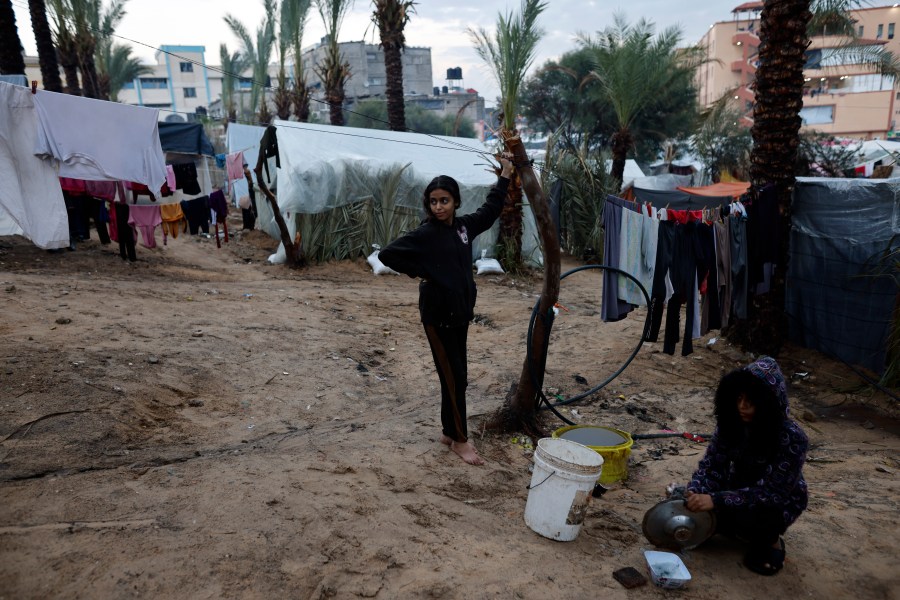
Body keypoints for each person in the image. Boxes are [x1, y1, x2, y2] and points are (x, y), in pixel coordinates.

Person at [378, 155, 514, 466]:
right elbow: (387, 254)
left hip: (460, 314)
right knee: (454, 378)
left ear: (455, 202)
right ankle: (460, 441)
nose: (439, 207)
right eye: (433, 201)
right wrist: (423, 271)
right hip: (438, 317)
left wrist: (506, 174)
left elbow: (491, 209)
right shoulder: (425, 234)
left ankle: (449, 432)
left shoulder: (464, 228)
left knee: (456, 377)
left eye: (444, 201)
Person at [685, 356, 808, 575]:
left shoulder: (792, 438)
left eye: (751, 401)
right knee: (693, 504)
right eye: (739, 398)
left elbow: (772, 493)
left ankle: (772, 542)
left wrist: (716, 500)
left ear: (769, 403)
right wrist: (697, 490)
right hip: (736, 486)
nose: (742, 406)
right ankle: (729, 525)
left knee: (760, 519)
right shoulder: (731, 424)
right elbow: (712, 466)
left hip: (774, 502)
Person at [241, 163, 257, 231]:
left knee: (249, 212)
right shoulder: (250, 183)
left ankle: (248, 226)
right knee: (250, 212)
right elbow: (249, 181)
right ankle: (249, 226)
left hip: (251, 197)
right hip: (250, 198)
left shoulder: (251, 183)